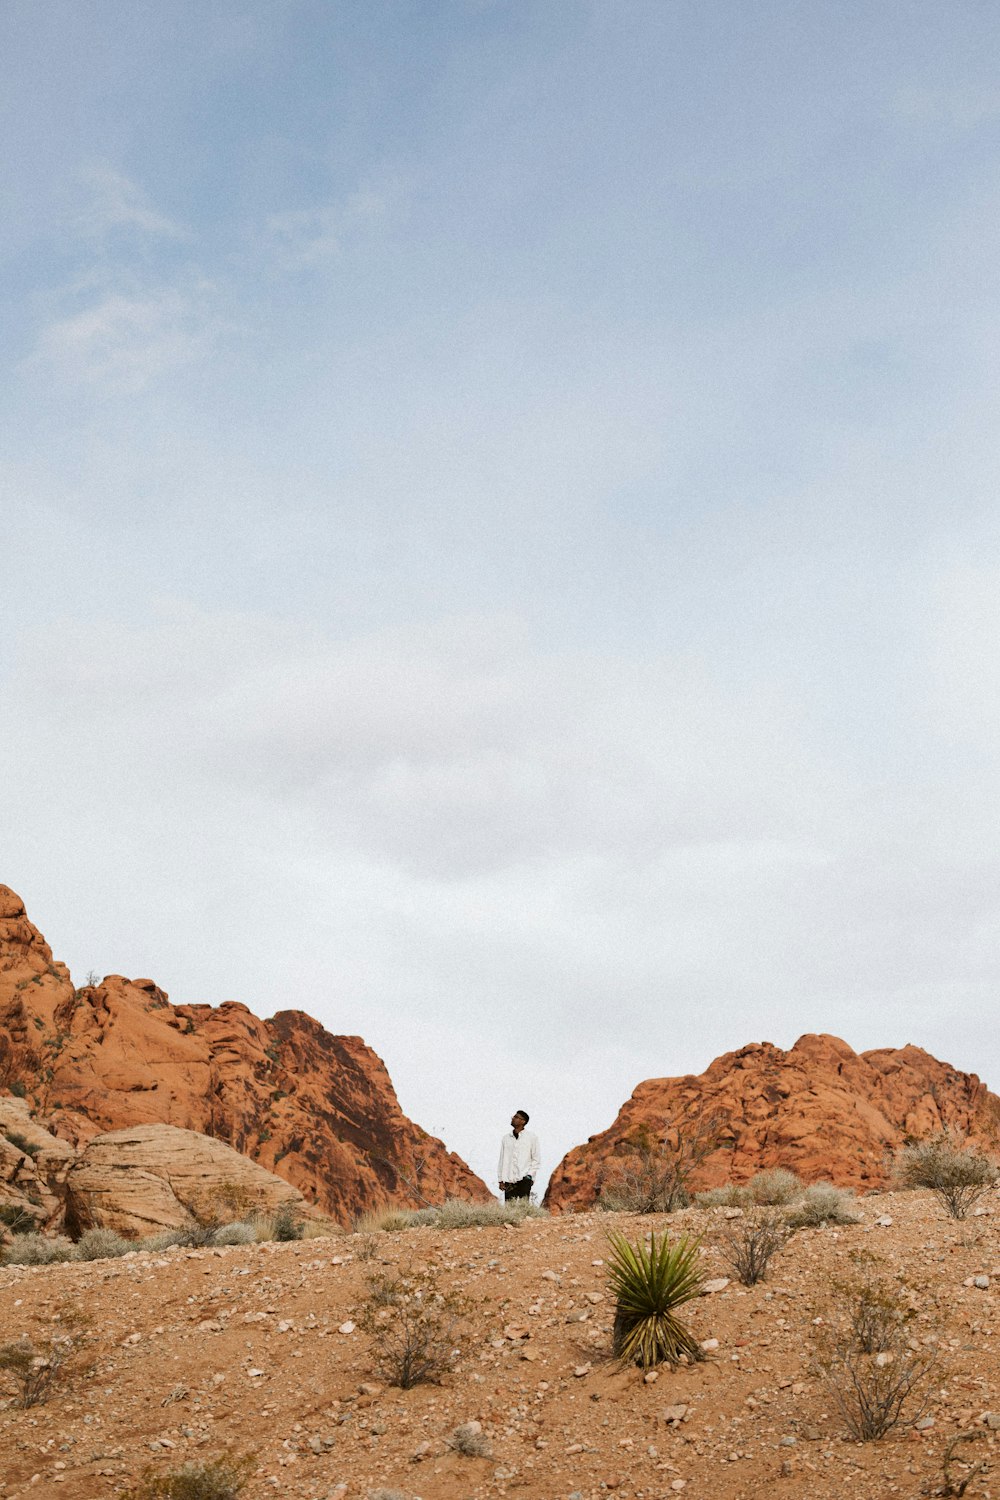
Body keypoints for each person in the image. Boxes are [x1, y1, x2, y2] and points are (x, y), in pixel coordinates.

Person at [498, 1109, 540, 1201]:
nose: (513, 1118)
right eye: (513, 1117)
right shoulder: (506, 1138)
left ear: (523, 1121)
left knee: (523, 1207)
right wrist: (500, 1179)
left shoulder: (531, 1137)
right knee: (509, 1209)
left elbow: (536, 1159)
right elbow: (502, 1159)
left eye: (516, 1117)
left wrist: (530, 1175)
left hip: (524, 1178)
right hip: (509, 1179)